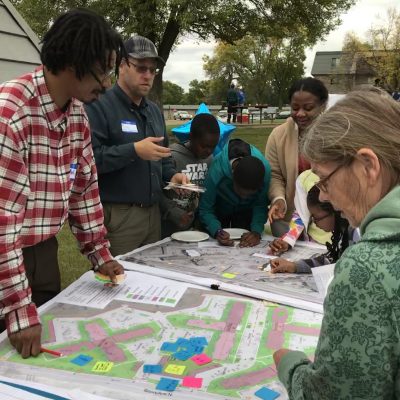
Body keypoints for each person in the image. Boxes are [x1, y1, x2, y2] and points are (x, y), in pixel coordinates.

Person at [0, 9, 126, 358]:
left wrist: (99, 254)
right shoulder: (11, 114)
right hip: (5, 255)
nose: (106, 83)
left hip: (42, 252)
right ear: (73, 61)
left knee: (40, 356)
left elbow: (84, 191)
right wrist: (17, 309)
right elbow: (2, 223)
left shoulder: (77, 115)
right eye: (102, 70)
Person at [274, 88, 400, 398]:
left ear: (368, 165)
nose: (325, 195)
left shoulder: (367, 266)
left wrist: (290, 364)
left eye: (324, 179)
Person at [85, 35, 188, 256]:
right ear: (122, 65)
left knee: (152, 277)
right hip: (120, 216)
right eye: (141, 68)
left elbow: (165, 156)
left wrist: (173, 176)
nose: (148, 75)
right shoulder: (99, 105)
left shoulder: (154, 111)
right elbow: (90, 160)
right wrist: (133, 151)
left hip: (154, 213)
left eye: (153, 70)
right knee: (120, 281)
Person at [265, 77, 328, 236]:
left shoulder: (334, 135)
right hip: (290, 220)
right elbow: (274, 175)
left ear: (323, 106)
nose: (300, 113)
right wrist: (279, 199)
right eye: (295, 108)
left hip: (327, 220)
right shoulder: (278, 135)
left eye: (308, 108)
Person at [199, 138, 271, 247]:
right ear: (232, 179)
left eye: (250, 194)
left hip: (247, 212)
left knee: (247, 244)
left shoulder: (264, 171)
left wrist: (256, 231)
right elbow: (206, 208)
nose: (243, 197)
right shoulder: (216, 171)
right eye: (240, 192)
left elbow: (260, 204)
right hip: (221, 208)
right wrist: (217, 230)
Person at [270, 186, 356, 274]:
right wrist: (293, 266)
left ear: (334, 210)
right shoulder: (344, 232)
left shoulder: (355, 234)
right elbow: (331, 260)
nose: (314, 222)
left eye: (316, 217)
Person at [160, 113, 220, 237]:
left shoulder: (209, 159)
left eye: (213, 147)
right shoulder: (172, 156)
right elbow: (157, 192)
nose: (208, 151)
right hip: (168, 227)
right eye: (204, 146)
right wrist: (173, 212)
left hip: (196, 228)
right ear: (191, 137)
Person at [268, 171, 332, 255]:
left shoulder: (347, 177)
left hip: (341, 244)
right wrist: (288, 240)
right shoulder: (304, 179)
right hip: (313, 244)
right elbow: (301, 215)